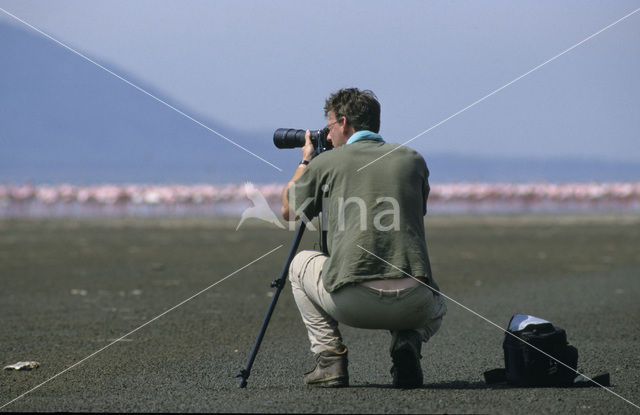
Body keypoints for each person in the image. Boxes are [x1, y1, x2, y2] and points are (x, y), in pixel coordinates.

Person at [281, 88, 446, 388]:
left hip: (353, 303)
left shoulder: (326, 163)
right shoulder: (413, 159)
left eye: (329, 127)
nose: (328, 138)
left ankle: (330, 361)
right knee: (438, 300)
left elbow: (289, 211)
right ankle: (408, 340)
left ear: (343, 123)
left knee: (300, 263)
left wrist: (306, 162)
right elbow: (415, 213)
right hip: (415, 304)